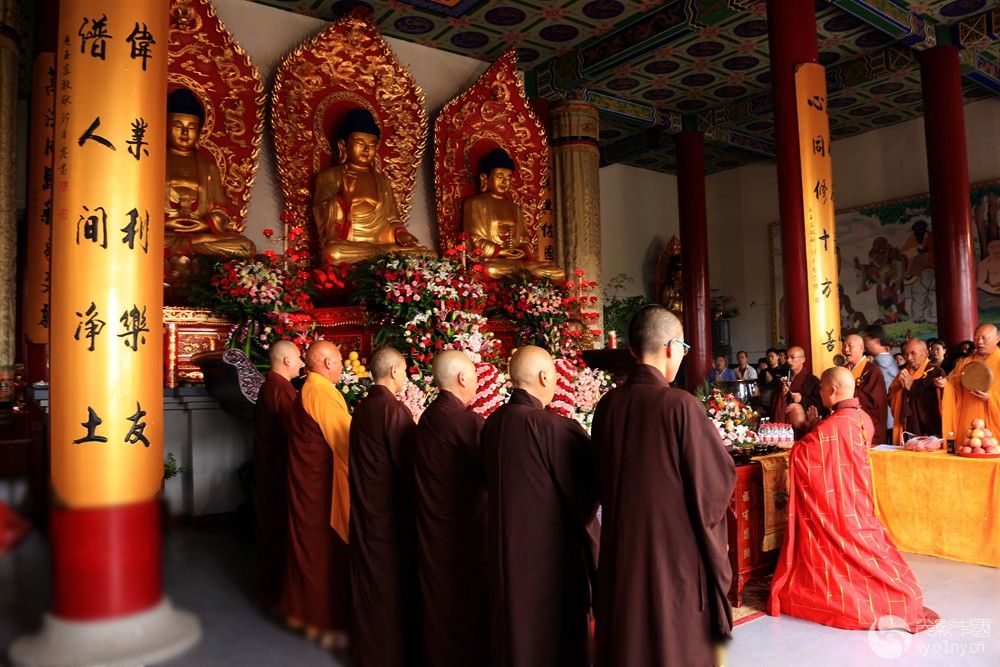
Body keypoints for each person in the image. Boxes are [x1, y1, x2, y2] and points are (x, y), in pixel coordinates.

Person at [592, 306, 735, 666]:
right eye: (685, 347)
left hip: (621, 552)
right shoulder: (680, 405)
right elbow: (714, 484)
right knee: (671, 639)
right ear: (671, 346)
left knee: (629, 635)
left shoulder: (606, 406)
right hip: (671, 557)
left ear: (631, 353)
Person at [769, 366, 938, 632]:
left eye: (823, 390)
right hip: (857, 500)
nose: (821, 395)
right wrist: (815, 428)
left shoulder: (835, 425)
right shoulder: (860, 418)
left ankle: (883, 601)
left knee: (848, 554)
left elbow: (804, 456)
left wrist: (803, 429)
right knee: (870, 550)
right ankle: (902, 594)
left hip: (840, 505)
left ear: (833, 390)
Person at [482, 345, 598, 666]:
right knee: (551, 643)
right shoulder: (554, 428)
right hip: (548, 565)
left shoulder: (491, 425)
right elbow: (588, 493)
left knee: (512, 638)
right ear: (545, 376)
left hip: (502, 558)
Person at [415, 351, 488, 667]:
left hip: (430, 524)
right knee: (463, 606)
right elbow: (493, 471)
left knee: (438, 603)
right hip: (463, 532)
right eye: (473, 374)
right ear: (462, 378)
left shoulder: (429, 415)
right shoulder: (466, 422)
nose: (476, 381)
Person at [349, 347, 420, 666]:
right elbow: (410, 465)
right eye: (404, 370)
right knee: (390, 583)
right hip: (389, 514)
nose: (405, 376)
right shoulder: (393, 410)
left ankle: (368, 650)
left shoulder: (364, 406)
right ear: (393, 372)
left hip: (366, 505)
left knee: (370, 580)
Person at [283, 341, 351, 649]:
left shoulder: (312, 388)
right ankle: (318, 620)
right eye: (338, 361)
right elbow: (345, 443)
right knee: (319, 551)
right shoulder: (320, 391)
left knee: (310, 549)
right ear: (324, 362)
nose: (342, 367)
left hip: (309, 482)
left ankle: (306, 615)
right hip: (318, 489)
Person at [312, 108, 429, 265]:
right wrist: (344, 198)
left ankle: (385, 253)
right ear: (343, 146)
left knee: (427, 254)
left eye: (372, 144)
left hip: (382, 244)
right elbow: (322, 219)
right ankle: (385, 255)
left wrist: (400, 233)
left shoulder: (383, 181)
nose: (367, 149)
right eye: (360, 143)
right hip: (349, 246)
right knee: (333, 253)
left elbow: (393, 219)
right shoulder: (330, 176)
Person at [164, 88, 255, 257]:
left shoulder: (209, 168)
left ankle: (186, 247)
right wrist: (167, 222)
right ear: (165, 127)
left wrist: (204, 225)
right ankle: (185, 247)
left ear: (200, 132)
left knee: (245, 247)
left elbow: (220, 211)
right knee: (144, 240)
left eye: (191, 127)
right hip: (163, 234)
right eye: (177, 125)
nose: (185, 133)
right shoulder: (152, 164)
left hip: (200, 234)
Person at [251, 340, 303, 608]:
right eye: (298, 358)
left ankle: (272, 589)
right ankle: (276, 593)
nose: (301, 363)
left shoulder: (274, 385)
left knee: (272, 530)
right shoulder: (280, 389)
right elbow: (297, 432)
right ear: (285, 361)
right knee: (277, 530)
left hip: (269, 468)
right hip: (276, 472)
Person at [463, 148, 564, 280]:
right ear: (485, 178)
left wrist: (521, 251)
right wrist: (501, 251)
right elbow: (474, 240)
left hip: (516, 262)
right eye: (500, 176)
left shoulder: (514, 207)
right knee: (489, 270)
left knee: (557, 271)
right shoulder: (476, 203)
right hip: (491, 261)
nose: (505, 182)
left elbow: (524, 240)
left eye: (508, 178)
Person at [939, 324, 1000, 439]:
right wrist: (945, 385)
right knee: (967, 449)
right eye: (976, 338)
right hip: (968, 419)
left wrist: (991, 398)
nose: (979, 342)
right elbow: (952, 385)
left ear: (998, 339)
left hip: (996, 423)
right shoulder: (964, 363)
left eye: (984, 338)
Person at [888, 339, 944, 445]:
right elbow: (891, 397)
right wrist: (899, 388)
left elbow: (938, 401)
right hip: (907, 425)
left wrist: (912, 386)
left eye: (913, 353)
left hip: (929, 427)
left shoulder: (936, 372)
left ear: (926, 353)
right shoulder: (903, 373)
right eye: (906, 354)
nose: (909, 358)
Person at [842, 334, 888, 445]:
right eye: (843, 346)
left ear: (861, 348)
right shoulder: (842, 371)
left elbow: (877, 404)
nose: (846, 349)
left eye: (850, 346)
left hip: (866, 426)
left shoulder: (873, 371)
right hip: (846, 425)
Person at [769, 346, 821, 423]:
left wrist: (802, 399)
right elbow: (773, 399)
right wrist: (782, 392)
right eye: (787, 357)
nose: (789, 361)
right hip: (783, 421)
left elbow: (819, 404)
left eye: (793, 357)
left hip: (800, 423)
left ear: (803, 359)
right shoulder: (783, 378)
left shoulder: (812, 380)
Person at [863, 324, 898, 436]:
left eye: (867, 340)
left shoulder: (881, 362)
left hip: (885, 413)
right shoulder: (887, 358)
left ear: (876, 341)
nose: (865, 344)